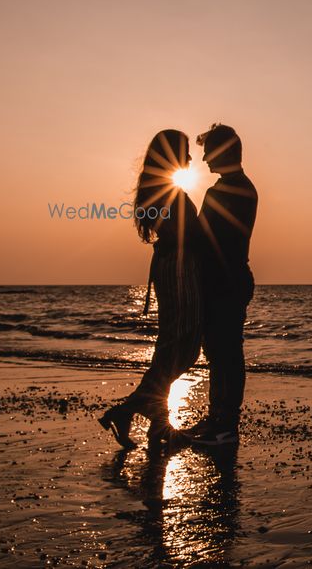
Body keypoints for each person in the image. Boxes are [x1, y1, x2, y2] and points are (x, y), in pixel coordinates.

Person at [99, 130, 204, 449]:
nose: (189, 158)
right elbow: (182, 234)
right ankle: (130, 410)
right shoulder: (166, 192)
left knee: (174, 345)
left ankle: (157, 423)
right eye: (184, 152)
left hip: (172, 266)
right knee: (181, 345)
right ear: (171, 154)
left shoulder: (157, 189)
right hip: (178, 268)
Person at [187, 123, 258, 446]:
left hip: (224, 281)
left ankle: (225, 424)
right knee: (220, 352)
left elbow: (203, 238)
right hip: (229, 278)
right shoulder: (239, 187)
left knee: (226, 352)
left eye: (207, 153)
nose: (204, 161)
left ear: (223, 152)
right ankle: (219, 418)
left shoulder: (228, 191)